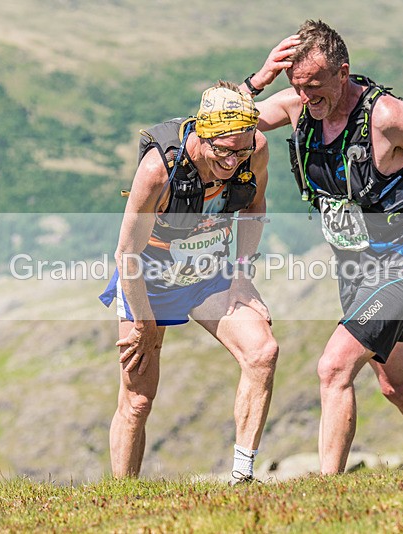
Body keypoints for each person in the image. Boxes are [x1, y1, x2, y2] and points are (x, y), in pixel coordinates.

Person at [239, 20, 403, 473]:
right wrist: (257, 81)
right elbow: (220, 123)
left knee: (334, 366)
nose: (307, 98)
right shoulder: (300, 106)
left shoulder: (388, 118)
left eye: (316, 86)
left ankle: (327, 494)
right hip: (356, 271)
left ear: (344, 73)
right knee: (397, 384)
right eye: (297, 87)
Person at [99, 81, 277, 484]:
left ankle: (242, 476)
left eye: (242, 150)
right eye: (224, 150)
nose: (233, 162)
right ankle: (123, 497)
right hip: (151, 278)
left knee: (262, 352)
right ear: (202, 134)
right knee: (139, 399)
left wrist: (241, 274)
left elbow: (253, 206)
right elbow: (126, 254)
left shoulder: (255, 150)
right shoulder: (157, 171)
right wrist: (143, 323)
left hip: (210, 272)